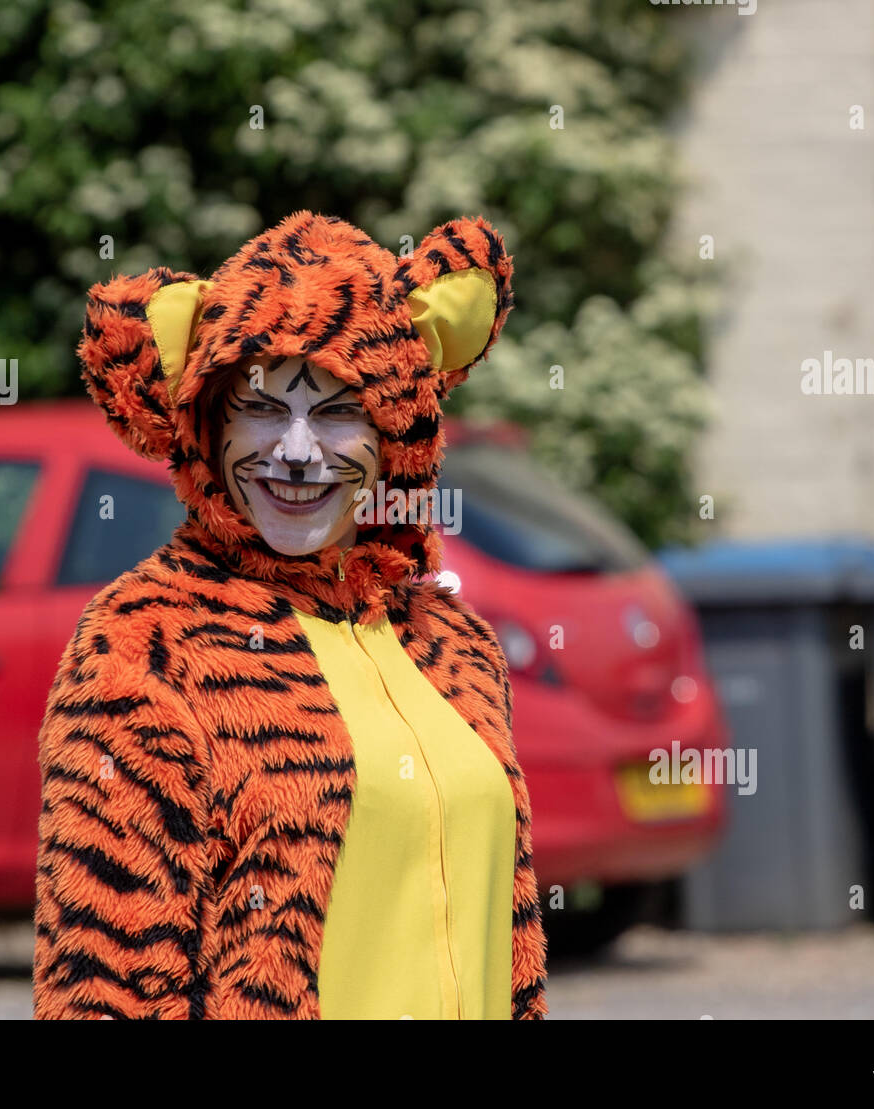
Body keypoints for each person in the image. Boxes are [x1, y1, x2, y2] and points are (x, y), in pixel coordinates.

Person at [32, 210, 548, 1019]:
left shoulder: (453, 644)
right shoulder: (142, 642)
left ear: (396, 436)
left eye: (340, 411)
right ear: (208, 423)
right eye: (265, 409)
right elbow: (105, 988)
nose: (299, 451)